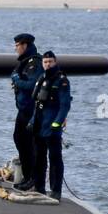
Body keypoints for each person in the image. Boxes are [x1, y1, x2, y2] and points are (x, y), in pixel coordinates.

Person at [28, 50, 71, 200]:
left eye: (50, 62)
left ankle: (55, 190)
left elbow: (65, 105)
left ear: (55, 62)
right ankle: (39, 187)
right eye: (45, 62)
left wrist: (57, 123)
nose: (47, 64)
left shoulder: (61, 80)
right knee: (39, 158)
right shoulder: (41, 78)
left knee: (54, 158)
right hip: (39, 124)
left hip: (52, 125)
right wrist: (32, 121)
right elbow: (37, 104)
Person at [9, 32, 43, 191]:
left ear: (25, 45)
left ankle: (34, 179)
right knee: (19, 140)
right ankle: (28, 176)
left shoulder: (34, 63)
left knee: (30, 145)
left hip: (32, 111)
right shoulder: (24, 62)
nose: (16, 49)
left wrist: (16, 79)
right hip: (23, 110)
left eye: (17, 46)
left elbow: (31, 85)